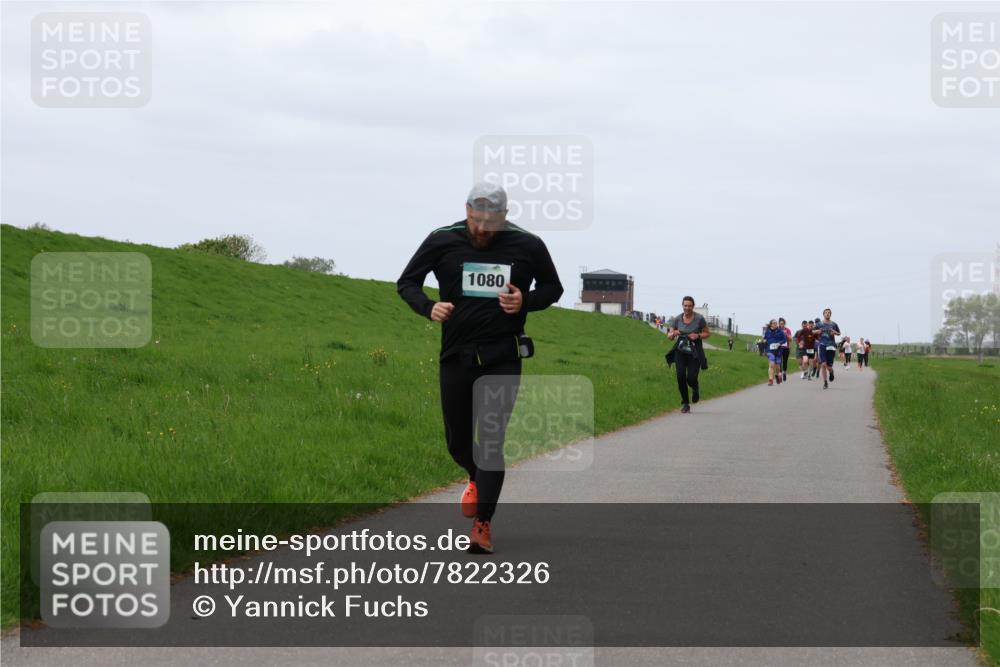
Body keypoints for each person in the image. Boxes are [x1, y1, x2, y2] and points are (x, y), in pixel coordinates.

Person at [397, 182, 563, 554]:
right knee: (457, 441)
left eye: (490, 223)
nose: (481, 230)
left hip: (502, 356)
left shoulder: (528, 244)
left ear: (504, 217)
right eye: (475, 221)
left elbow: (553, 288)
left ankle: (482, 525)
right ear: (466, 211)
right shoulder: (442, 239)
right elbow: (406, 282)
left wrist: (525, 300)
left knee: (490, 443)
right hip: (455, 355)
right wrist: (428, 307)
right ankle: (475, 477)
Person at [666, 296, 711, 413]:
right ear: (682, 306)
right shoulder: (676, 319)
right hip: (680, 352)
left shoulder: (699, 319)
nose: (687, 308)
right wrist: (673, 333)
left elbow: (707, 333)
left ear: (693, 306)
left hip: (694, 352)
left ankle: (695, 389)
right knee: (680, 376)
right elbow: (669, 336)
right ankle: (685, 403)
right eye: (685, 305)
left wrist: (698, 336)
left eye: (689, 306)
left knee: (691, 378)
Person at [815, 308, 842, 389]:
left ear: (831, 314)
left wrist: (835, 332)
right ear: (823, 314)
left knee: (829, 367)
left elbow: (839, 333)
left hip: (831, 346)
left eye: (829, 313)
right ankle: (825, 382)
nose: (827, 314)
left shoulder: (834, 324)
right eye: (826, 313)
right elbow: (812, 331)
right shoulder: (819, 324)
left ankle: (831, 372)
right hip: (822, 345)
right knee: (823, 364)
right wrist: (817, 331)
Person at [763, 319, 787, 385]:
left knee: (778, 367)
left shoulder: (780, 331)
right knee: (771, 364)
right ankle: (770, 380)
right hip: (770, 351)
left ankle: (777, 375)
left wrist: (779, 343)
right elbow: (765, 338)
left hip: (778, 351)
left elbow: (784, 340)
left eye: (776, 323)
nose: (776, 324)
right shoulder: (767, 332)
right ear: (771, 324)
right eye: (774, 323)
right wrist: (764, 341)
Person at [778, 317, 792, 382]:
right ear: (779, 324)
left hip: (786, 348)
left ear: (784, 324)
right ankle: (780, 373)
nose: (782, 325)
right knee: (779, 361)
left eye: (783, 324)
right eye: (780, 324)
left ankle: (784, 373)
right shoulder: (777, 330)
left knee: (785, 361)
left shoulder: (788, 330)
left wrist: (786, 334)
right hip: (779, 348)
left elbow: (790, 339)